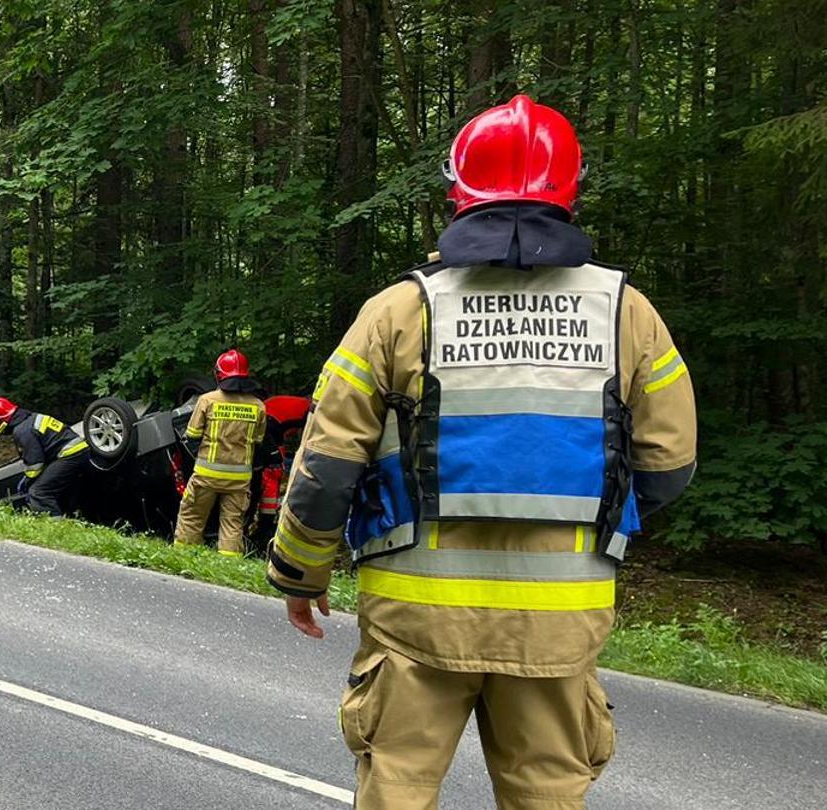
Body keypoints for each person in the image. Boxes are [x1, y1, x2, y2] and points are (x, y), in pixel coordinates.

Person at [266, 95, 697, 809]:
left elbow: (326, 467)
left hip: (414, 620)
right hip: (560, 620)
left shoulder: (399, 310)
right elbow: (668, 466)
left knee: (398, 787)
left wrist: (302, 574)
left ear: (454, 196)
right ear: (573, 193)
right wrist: (587, 527)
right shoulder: (629, 313)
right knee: (547, 795)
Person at [172, 349, 268, 555]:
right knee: (232, 524)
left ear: (219, 374)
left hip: (207, 474)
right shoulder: (258, 406)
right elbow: (258, 442)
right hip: (240, 477)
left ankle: (183, 557)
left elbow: (192, 434)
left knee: (192, 516)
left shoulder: (207, 400)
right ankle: (228, 564)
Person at [0, 397, 89, 515]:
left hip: (69, 455)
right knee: (56, 488)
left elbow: (35, 464)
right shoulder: (32, 418)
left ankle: (54, 527)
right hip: (81, 451)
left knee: (38, 492)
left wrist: (28, 480)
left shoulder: (22, 430)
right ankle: (68, 516)